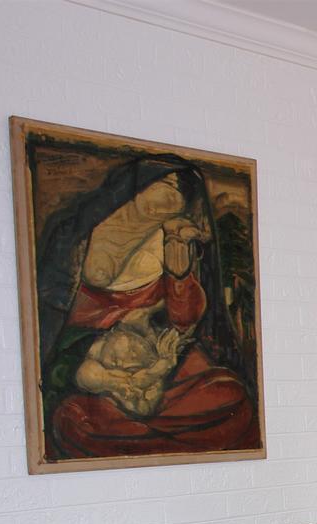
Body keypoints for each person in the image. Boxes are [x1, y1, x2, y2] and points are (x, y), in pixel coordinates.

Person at [33, 157, 259, 460]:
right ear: (134, 185)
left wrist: (180, 276)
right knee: (73, 421)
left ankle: (145, 440)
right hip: (94, 353)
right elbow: (54, 318)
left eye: (180, 192)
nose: (171, 197)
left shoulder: (172, 239)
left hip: (160, 350)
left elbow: (185, 321)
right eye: (165, 184)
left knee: (232, 400)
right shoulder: (77, 236)